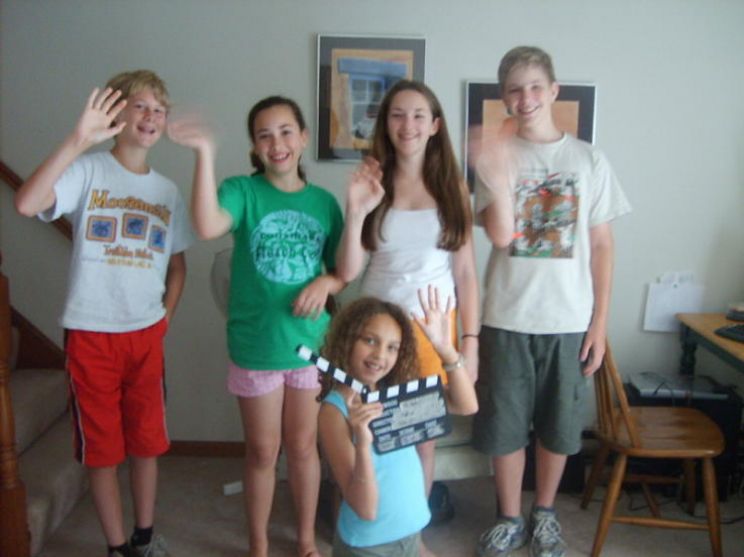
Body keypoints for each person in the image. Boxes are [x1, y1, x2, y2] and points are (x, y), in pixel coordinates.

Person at [14, 70, 193, 557]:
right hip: (91, 335)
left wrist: (165, 319)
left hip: (145, 336)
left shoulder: (167, 192)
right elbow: (27, 203)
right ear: (116, 113)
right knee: (102, 451)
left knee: (147, 444)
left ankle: (144, 537)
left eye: (159, 109)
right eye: (141, 106)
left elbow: (178, 267)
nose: (151, 116)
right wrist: (78, 139)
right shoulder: (88, 170)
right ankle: (117, 547)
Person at [470, 46, 631, 557]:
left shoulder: (588, 159)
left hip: (569, 320)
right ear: (504, 97)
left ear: (554, 90)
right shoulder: (494, 158)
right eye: (515, 90)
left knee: (559, 430)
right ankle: (509, 517)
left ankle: (544, 513)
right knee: (504, 429)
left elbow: (602, 246)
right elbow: (499, 235)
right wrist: (494, 166)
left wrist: (599, 322)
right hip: (506, 317)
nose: (527, 98)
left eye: (536, 87)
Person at [168, 95, 343, 557]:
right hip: (257, 347)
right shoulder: (241, 191)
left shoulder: (324, 203)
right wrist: (204, 153)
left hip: (308, 346)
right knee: (264, 452)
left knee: (303, 448)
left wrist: (327, 282)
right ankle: (259, 546)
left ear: (303, 138)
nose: (276, 143)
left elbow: (343, 268)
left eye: (285, 132)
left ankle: (305, 541)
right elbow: (206, 225)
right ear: (254, 146)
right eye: (264, 135)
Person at [335, 80, 479, 525]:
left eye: (418, 115)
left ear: (435, 125)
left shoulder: (453, 187)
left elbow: (466, 273)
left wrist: (469, 343)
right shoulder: (370, 181)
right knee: (370, 432)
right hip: (375, 333)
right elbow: (348, 270)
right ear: (385, 123)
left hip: (432, 332)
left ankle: (412, 536)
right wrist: (356, 210)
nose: (408, 124)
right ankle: (375, 525)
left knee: (421, 441)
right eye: (397, 114)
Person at [318, 286, 478, 557]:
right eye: (370, 340)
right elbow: (365, 508)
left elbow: (466, 405)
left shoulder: (396, 393)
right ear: (347, 340)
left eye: (392, 347)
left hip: (411, 537)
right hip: (368, 547)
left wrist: (446, 351)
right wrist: (363, 443)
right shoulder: (334, 412)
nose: (380, 355)